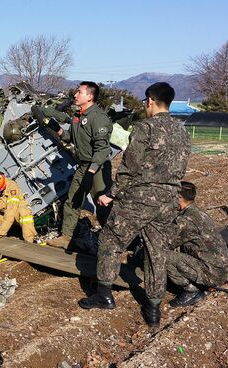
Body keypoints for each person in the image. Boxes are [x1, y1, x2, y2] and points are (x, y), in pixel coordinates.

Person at [78, 82, 191, 327]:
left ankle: (104, 295)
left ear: (150, 100)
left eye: (144, 101)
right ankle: (153, 307)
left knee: (111, 241)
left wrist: (111, 194)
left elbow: (130, 167)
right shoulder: (182, 131)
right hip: (168, 200)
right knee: (156, 252)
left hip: (139, 199)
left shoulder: (145, 128)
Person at [47, 82, 113, 249]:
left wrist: (90, 173)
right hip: (84, 166)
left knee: (103, 204)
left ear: (90, 96)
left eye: (79, 92)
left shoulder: (98, 118)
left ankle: (114, 240)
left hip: (97, 167)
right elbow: (72, 138)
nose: (75, 95)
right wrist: (59, 130)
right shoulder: (80, 116)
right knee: (73, 200)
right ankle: (66, 237)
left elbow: (102, 149)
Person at [166, 181, 228, 307]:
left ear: (179, 198)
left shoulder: (186, 220)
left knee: (163, 256)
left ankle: (191, 291)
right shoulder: (197, 212)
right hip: (221, 267)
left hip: (213, 273)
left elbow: (168, 243)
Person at [0, 172, 37, 243]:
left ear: (1, 189)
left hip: (15, 213)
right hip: (2, 212)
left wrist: (1, 233)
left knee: (24, 212)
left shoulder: (12, 189)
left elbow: (10, 213)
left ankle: (31, 240)